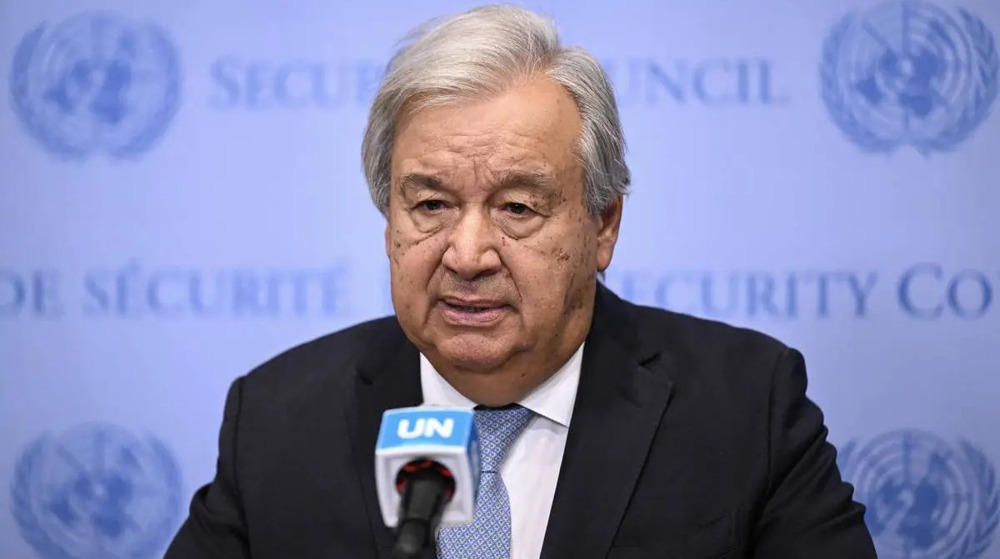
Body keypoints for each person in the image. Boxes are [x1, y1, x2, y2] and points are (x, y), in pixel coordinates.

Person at [164, 4, 877, 558]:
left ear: (603, 227)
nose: (468, 253)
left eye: (517, 207)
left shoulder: (744, 405)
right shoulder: (280, 418)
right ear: (388, 221)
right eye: (431, 204)